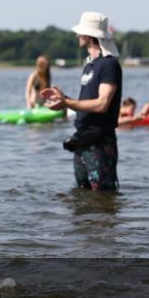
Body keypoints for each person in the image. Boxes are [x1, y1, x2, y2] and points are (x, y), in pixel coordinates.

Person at [41, 12, 123, 191]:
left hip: (100, 142)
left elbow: (102, 104)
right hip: (82, 140)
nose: (77, 35)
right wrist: (64, 98)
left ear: (88, 35)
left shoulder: (109, 65)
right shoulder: (89, 65)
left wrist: (67, 103)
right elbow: (86, 102)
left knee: (103, 197)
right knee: (81, 197)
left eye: (80, 32)